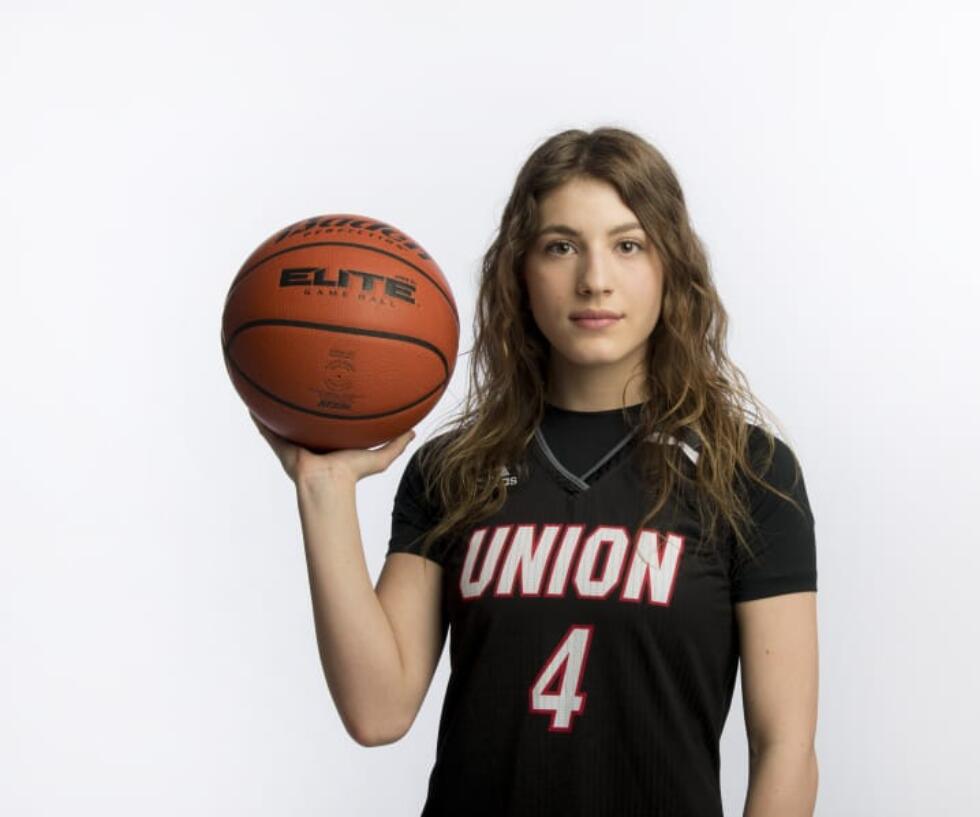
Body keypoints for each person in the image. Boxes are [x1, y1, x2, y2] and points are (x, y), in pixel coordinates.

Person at [252, 126, 820, 817]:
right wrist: (324, 489)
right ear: (520, 272)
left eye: (628, 244)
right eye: (560, 245)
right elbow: (377, 711)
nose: (595, 278)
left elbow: (785, 745)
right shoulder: (455, 469)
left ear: (670, 266)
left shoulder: (748, 471)